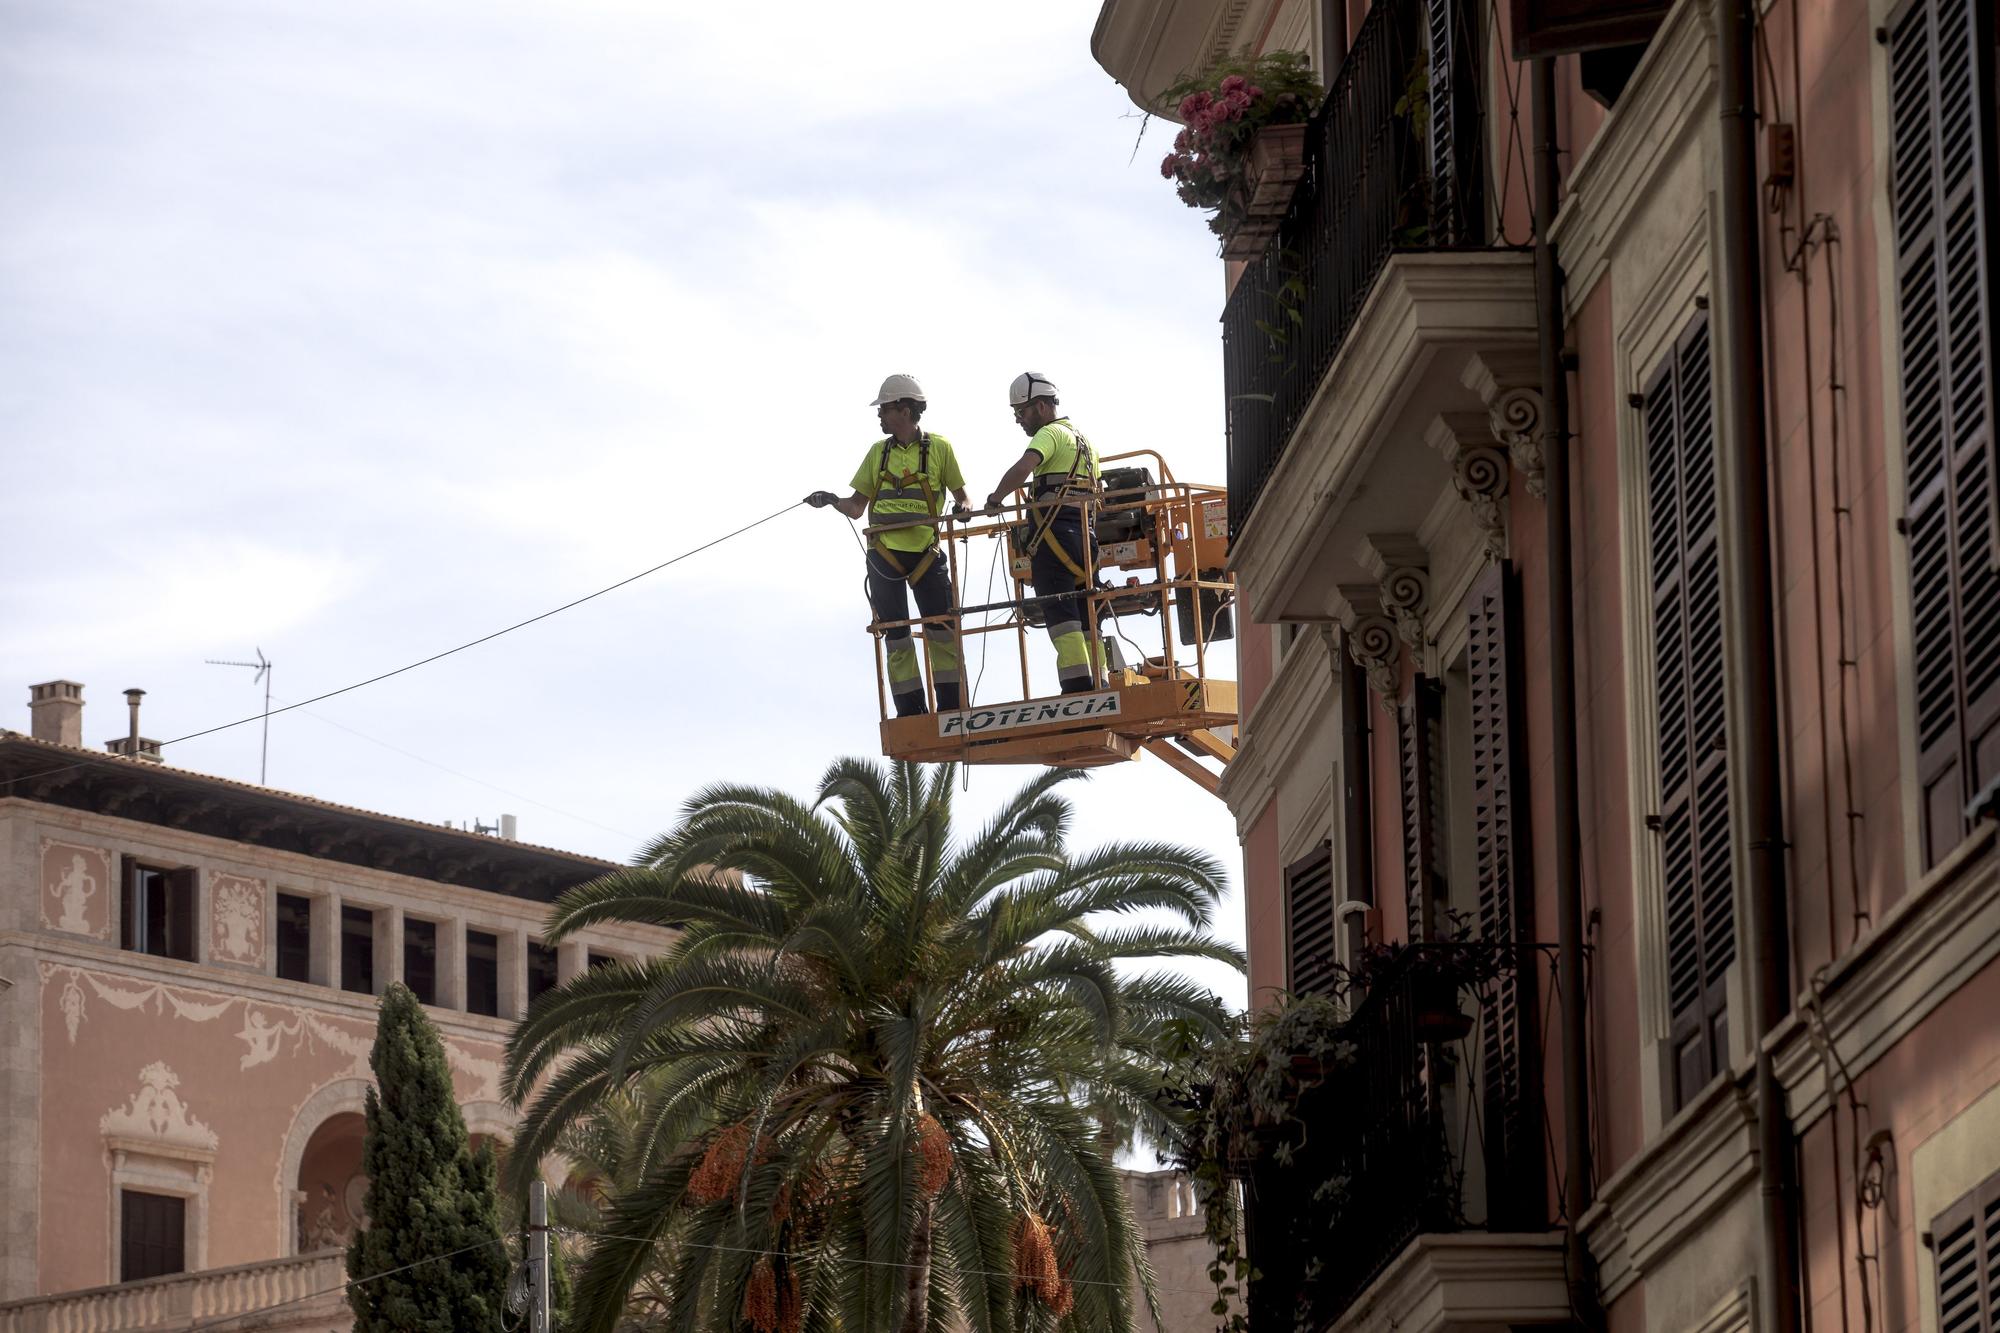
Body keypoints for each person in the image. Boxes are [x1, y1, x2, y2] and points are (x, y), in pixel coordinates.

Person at [807, 374, 971, 716]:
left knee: (942, 631)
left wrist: (964, 509)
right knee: (895, 637)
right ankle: (911, 712)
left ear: (905, 410)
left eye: (885, 409)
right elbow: (856, 508)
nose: (879, 416)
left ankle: (952, 709)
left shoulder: (940, 448)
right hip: (885, 556)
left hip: (926, 554)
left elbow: (963, 496)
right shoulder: (877, 454)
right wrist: (831, 500)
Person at [984, 372, 1104, 694]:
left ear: (1039, 406)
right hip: (1086, 540)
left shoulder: (1049, 434)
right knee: (1087, 614)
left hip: (1056, 540)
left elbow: (1024, 468)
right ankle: (1101, 683)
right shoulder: (1084, 440)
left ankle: (1077, 687)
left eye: (1021, 412)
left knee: (1062, 617)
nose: (1019, 420)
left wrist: (995, 499)